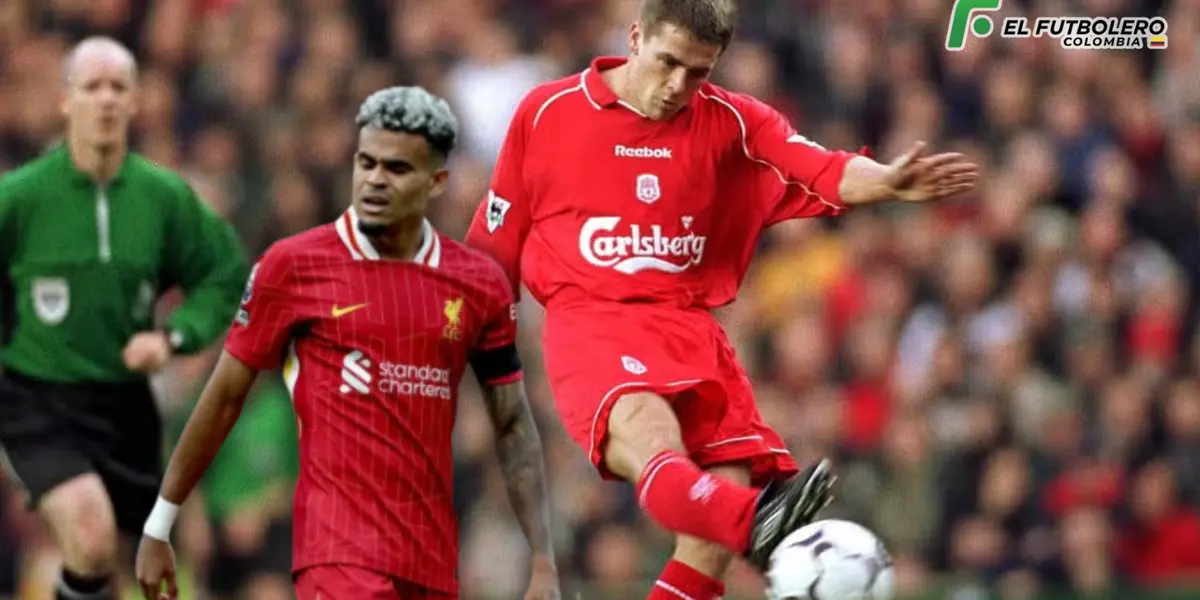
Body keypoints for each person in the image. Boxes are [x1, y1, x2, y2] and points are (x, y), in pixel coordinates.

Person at [464, 1, 980, 598]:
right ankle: (752, 525)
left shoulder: (733, 123)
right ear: (636, 37)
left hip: (691, 332)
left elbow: (821, 168)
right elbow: (491, 246)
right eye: (668, 62)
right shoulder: (549, 113)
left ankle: (740, 522)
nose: (678, 85)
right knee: (656, 440)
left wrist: (886, 180)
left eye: (699, 72)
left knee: (708, 541)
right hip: (593, 322)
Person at [135, 86, 561, 600]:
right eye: (367, 162)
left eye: (398, 168)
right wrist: (162, 522)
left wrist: (542, 558)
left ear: (436, 181)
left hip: (430, 560)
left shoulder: (477, 283)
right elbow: (224, 396)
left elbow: (511, 420)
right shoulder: (293, 266)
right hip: (337, 556)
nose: (376, 179)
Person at [0, 37, 248, 600]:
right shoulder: (20, 198)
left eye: (118, 88)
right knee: (89, 535)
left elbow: (225, 275)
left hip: (124, 405)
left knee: (149, 564)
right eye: (92, 87)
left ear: (136, 102)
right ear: (66, 101)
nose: (106, 100)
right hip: (39, 399)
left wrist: (174, 337)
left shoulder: (162, 198)